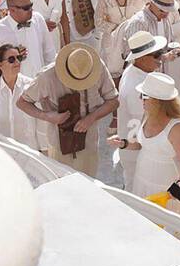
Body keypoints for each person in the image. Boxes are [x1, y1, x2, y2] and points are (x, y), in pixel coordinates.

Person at [18, 42, 118, 176]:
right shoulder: (47, 76)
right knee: (63, 189)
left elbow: (113, 101)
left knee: (88, 186)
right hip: (60, 144)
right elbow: (22, 102)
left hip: (89, 141)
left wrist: (91, 118)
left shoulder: (94, 66)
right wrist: (48, 116)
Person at [110, 72, 180, 214]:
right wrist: (123, 143)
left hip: (167, 187)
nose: (140, 98)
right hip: (142, 180)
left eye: (144, 96)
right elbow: (143, 144)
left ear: (159, 101)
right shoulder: (147, 115)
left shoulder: (178, 128)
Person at [114, 30, 169, 190]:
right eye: (157, 55)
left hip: (134, 146)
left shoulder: (135, 72)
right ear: (142, 58)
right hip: (135, 149)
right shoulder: (136, 87)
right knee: (136, 191)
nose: (161, 59)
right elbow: (145, 123)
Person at [0, 43, 45, 152]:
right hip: (2, 154)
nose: (17, 62)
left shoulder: (31, 86)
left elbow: (41, 122)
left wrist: (44, 150)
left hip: (29, 154)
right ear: (0, 65)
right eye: (11, 59)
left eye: (19, 58)